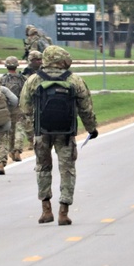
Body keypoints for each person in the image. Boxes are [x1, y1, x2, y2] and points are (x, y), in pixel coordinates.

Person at [19, 45, 98, 226]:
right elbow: (86, 108)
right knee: (67, 170)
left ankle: (46, 210)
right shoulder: (75, 80)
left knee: (42, 169)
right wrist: (91, 129)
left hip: (42, 132)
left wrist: (32, 132)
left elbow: (25, 108)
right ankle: (64, 211)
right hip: (66, 132)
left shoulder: (32, 80)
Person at [0, 56, 26, 161]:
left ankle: (11, 150)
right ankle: (17, 150)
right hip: (19, 107)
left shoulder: (2, 79)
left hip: (7, 108)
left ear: (6, 66)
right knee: (20, 129)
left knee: (9, 131)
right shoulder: (23, 78)